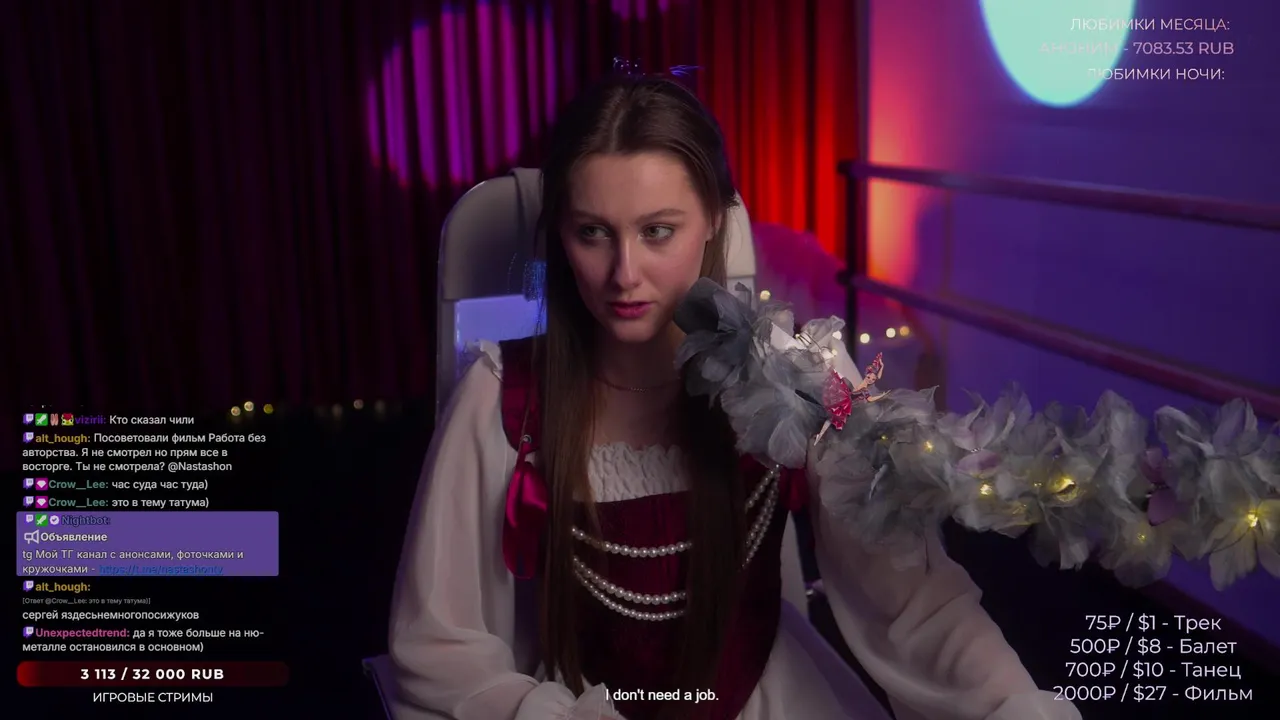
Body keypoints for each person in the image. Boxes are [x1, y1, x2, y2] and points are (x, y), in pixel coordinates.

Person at [387, 74, 1081, 720]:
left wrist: (1015, 708)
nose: (624, 273)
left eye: (658, 231)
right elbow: (436, 645)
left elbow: (913, 603)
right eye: (592, 232)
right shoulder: (504, 395)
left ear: (716, 218)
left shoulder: (806, 378)